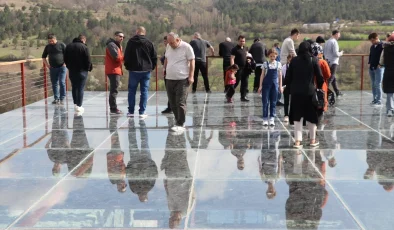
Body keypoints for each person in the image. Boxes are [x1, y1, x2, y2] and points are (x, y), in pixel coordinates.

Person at [285, 41, 324, 148]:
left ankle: (297, 141)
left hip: (296, 93)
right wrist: (319, 87)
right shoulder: (314, 60)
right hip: (309, 92)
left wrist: (290, 88)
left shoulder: (294, 61)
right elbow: (320, 78)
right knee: (311, 117)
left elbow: (287, 78)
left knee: (297, 117)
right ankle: (312, 140)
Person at [164, 32, 195, 132]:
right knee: (172, 102)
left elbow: (192, 61)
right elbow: (166, 58)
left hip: (182, 78)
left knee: (180, 101)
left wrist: (191, 76)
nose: (170, 44)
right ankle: (178, 120)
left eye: (172, 42)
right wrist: (164, 69)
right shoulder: (169, 46)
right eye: (168, 42)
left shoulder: (186, 47)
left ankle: (181, 123)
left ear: (178, 40)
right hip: (169, 78)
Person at [124, 26, 157, 119]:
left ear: (136, 32)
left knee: (131, 91)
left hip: (133, 70)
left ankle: (130, 112)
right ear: (144, 33)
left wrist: (127, 66)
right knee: (144, 91)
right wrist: (151, 67)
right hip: (146, 70)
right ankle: (142, 112)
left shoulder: (131, 42)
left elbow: (126, 56)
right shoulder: (149, 43)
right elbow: (154, 57)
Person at [64, 34, 92, 113]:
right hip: (82, 71)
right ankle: (79, 106)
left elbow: (65, 59)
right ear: (83, 40)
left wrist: (69, 67)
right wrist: (88, 68)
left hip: (72, 71)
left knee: (74, 87)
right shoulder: (84, 47)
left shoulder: (68, 46)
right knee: (80, 88)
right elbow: (88, 59)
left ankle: (75, 104)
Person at [258, 49, 283, 126]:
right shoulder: (265, 64)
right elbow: (262, 75)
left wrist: (280, 86)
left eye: (274, 56)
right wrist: (260, 86)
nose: (272, 57)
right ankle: (265, 118)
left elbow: (280, 76)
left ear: (276, 55)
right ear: (268, 56)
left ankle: (272, 117)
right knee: (265, 101)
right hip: (266, 85)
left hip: (275, 85)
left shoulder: (278, 64)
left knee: (273, 101)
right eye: (271, 56)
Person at [42, 33, 67, 105]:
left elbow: (68, 55)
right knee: (54, 83)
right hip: (52, 68)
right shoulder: (47, 47)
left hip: (62, 67)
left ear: (55, 39)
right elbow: (43, 57)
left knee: (61, 82)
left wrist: (65, 63)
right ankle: (56, 98)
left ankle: (62, 98)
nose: (51, 42)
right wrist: (47, 65)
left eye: (52, 41)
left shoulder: (61, 45)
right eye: (49, 41)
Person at [105, 31, 125, 115]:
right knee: (114, 90)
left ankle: (113, 108)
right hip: (113, 70)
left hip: (115, 70)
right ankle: (113, 108)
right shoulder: (112, 45)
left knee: (114, 89)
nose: (121, 38)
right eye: (120, 36)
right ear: (115, 36)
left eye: (123, 37)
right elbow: (116, 58)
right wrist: (124, 57)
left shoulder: (116, 45)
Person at [324, 30, 344, 97]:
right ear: (335, 34)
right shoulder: (334, 42)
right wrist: (341, 53)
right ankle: (325, 90)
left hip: (327, 61)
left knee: (333, 77)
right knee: (331, 77)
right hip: (333, 61)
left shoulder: (327, 41)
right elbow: (336, 54)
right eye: (338, 35)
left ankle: (337, 91)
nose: (339, 36)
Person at [313, 43, 331, 114]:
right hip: (322, 85)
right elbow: (328, 75)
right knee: (322, 103)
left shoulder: (310, 61)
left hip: (311, 86)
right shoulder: (323, 62)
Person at [231, 35, 250, 102]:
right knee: (236, 82)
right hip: (238, 68)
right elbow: (232, 59)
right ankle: (229, 95)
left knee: (245, 83)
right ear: (238, 41)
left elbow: (247, 56)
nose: (242, 42)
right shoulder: (234, 49)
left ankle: (243, 97)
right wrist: (233, 69)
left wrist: (249, 60)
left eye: (243, 41)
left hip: (245, 68)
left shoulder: (245, 48)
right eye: (241, 41)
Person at [368, 33, 384, 107]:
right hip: (372, 67)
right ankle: (374, 99)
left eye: (373, 40)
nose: (372, 42)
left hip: (379, 68)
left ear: (377, 38)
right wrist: (369, 63)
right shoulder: (372, 46)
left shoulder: (382, 46)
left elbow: (384, 57)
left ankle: (379, 100)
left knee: (378, 84)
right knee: (373, 84)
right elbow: (371, 55)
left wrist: (380, 64)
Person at [380, 34, 394, 117]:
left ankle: (390, 109)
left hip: (388, 71)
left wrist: (381, 65)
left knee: (390, 91)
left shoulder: (385, 49)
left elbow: (381, 61)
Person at [160, 36, 173, 114]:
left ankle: (170, 107)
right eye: (164, 41)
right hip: (168, 72)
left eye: (166, 41)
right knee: (170, 91)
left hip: (170, 72)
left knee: (170, 91)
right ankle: (170, 107)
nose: (165, 43)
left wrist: (162, 59)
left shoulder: (170, 50)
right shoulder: (168, 49)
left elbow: (166, 59)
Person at [282, 54, 294, 122]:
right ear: (287, 59)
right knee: (286, 101)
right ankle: (286, 115)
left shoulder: (296, 67)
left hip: (293, 85)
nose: (291, 61)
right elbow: (283, 76)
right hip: (286, 86)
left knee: (293, 101)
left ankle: (292, 115)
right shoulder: (284, 67)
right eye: (290, 59)